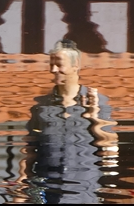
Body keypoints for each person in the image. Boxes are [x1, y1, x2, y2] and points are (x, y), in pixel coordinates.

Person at [20, 39, 118, 204]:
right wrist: (22, 186)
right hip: (49, 192)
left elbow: (110, 147)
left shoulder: (98, 102)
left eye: (59, 64)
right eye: (51, 64)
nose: (53, 70)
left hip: (84, 192)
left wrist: (94, 116)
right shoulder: (40, 107)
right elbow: (29, 151)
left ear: (76, 65)